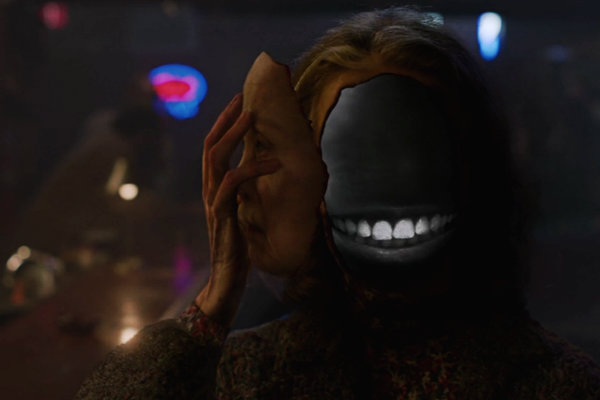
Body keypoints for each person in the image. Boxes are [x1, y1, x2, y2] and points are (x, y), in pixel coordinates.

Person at [76, 7, 600, 399]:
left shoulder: (557, 386)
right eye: (351, 151)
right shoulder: (246, 375)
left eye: (418, 147)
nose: (390, 186)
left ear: (475, 170)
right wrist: (213, 304)